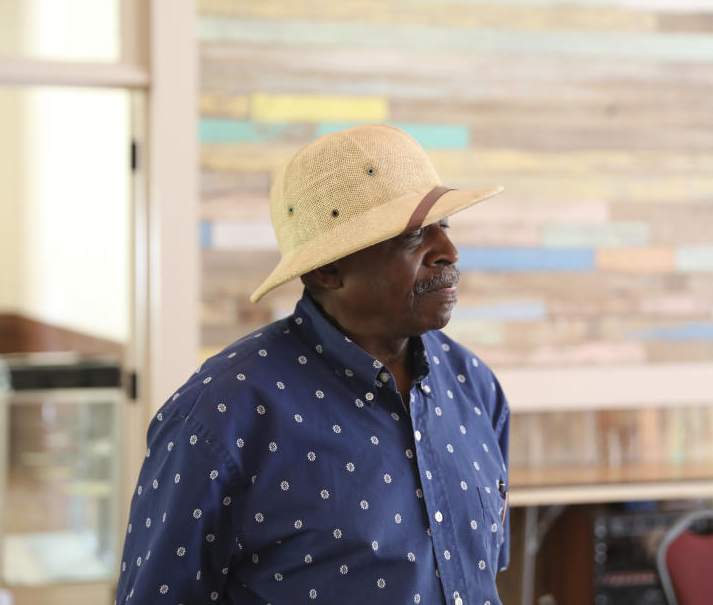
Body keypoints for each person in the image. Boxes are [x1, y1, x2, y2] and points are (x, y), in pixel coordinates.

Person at [115, 124, 510, 605]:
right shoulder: (221, 415)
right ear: (327, 269)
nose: (448, 252)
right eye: (411, 237)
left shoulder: (475, 389)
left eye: (443, 225)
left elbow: (481, 572)